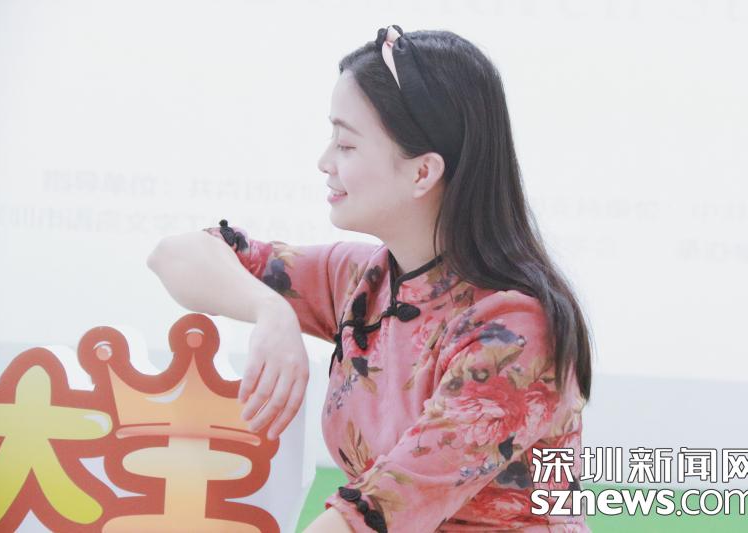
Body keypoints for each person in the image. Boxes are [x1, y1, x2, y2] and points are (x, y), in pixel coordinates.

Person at [148, 25, 593, 533]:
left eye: (346, 144)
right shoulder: (363, 278)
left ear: (422, 173)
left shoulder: (513, 328)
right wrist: (269, 311)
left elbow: (381, 510)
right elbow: (175, 254)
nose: (325, 162)